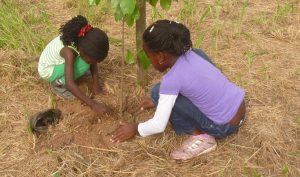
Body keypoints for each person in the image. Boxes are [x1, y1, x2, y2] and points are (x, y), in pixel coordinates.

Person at [111, 20, 246, 160]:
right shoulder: (195, 53)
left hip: (223, 126)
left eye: (149, 56)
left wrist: (135, 128)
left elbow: (158, 125)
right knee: (157, 91)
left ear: (161, 57)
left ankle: (201, 137)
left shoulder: (172, 80)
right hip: (239, 107)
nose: (150, 62)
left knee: (162, 95)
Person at [38, 15, 110, 115]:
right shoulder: (69, 53)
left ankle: (78, 68)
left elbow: (93, 61)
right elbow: (70, 84)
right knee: (84, 65)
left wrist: (96, 85)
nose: (93, 63)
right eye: (91, 61)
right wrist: (94, 104)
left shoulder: (82, 41)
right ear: (82, 50)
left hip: (59, 62)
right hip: (48, 70)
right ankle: (58, 85)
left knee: (85, 63)